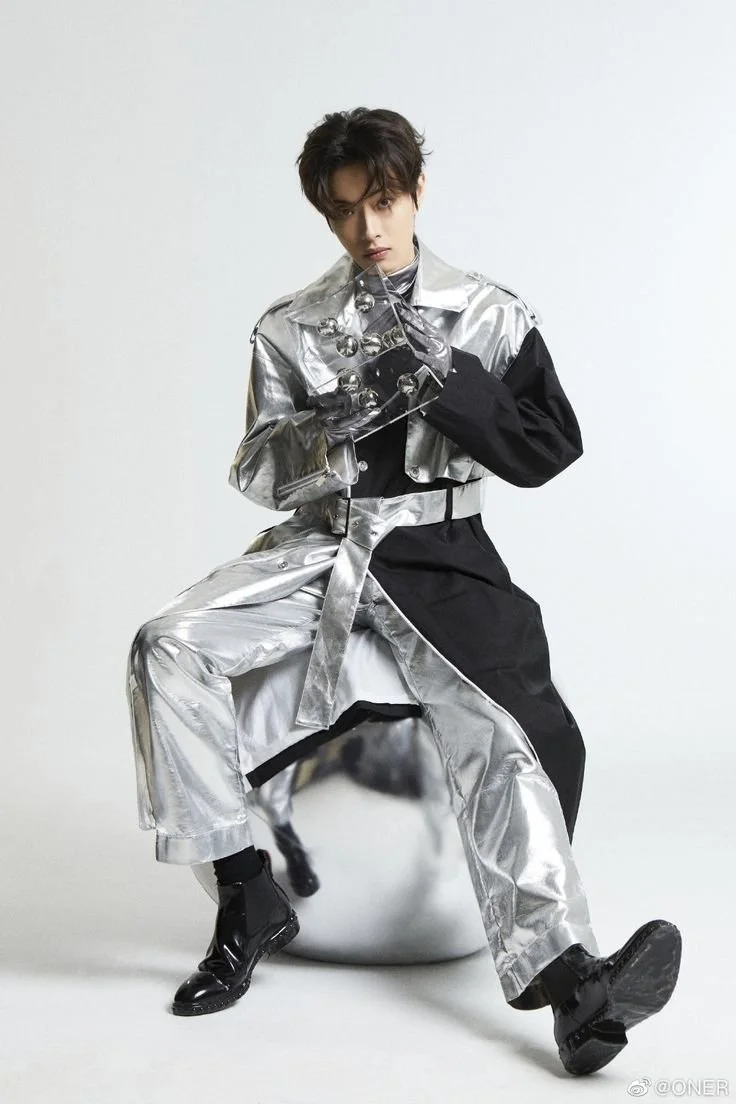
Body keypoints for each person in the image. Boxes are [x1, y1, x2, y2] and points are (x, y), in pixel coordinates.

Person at [125, 107, 681, 1076]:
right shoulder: (290, 326)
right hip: (320, 547)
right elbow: (256, 471)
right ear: (325, 215)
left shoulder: (491, 314)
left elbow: (547, 451)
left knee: (501, 730)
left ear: (416, 191)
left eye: (382, 202)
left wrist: (446, 380)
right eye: (345, 211)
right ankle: (245, 892)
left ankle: (573, 987)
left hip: (441, 556)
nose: (368, 228)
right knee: (164, 642)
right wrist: (332, 424)